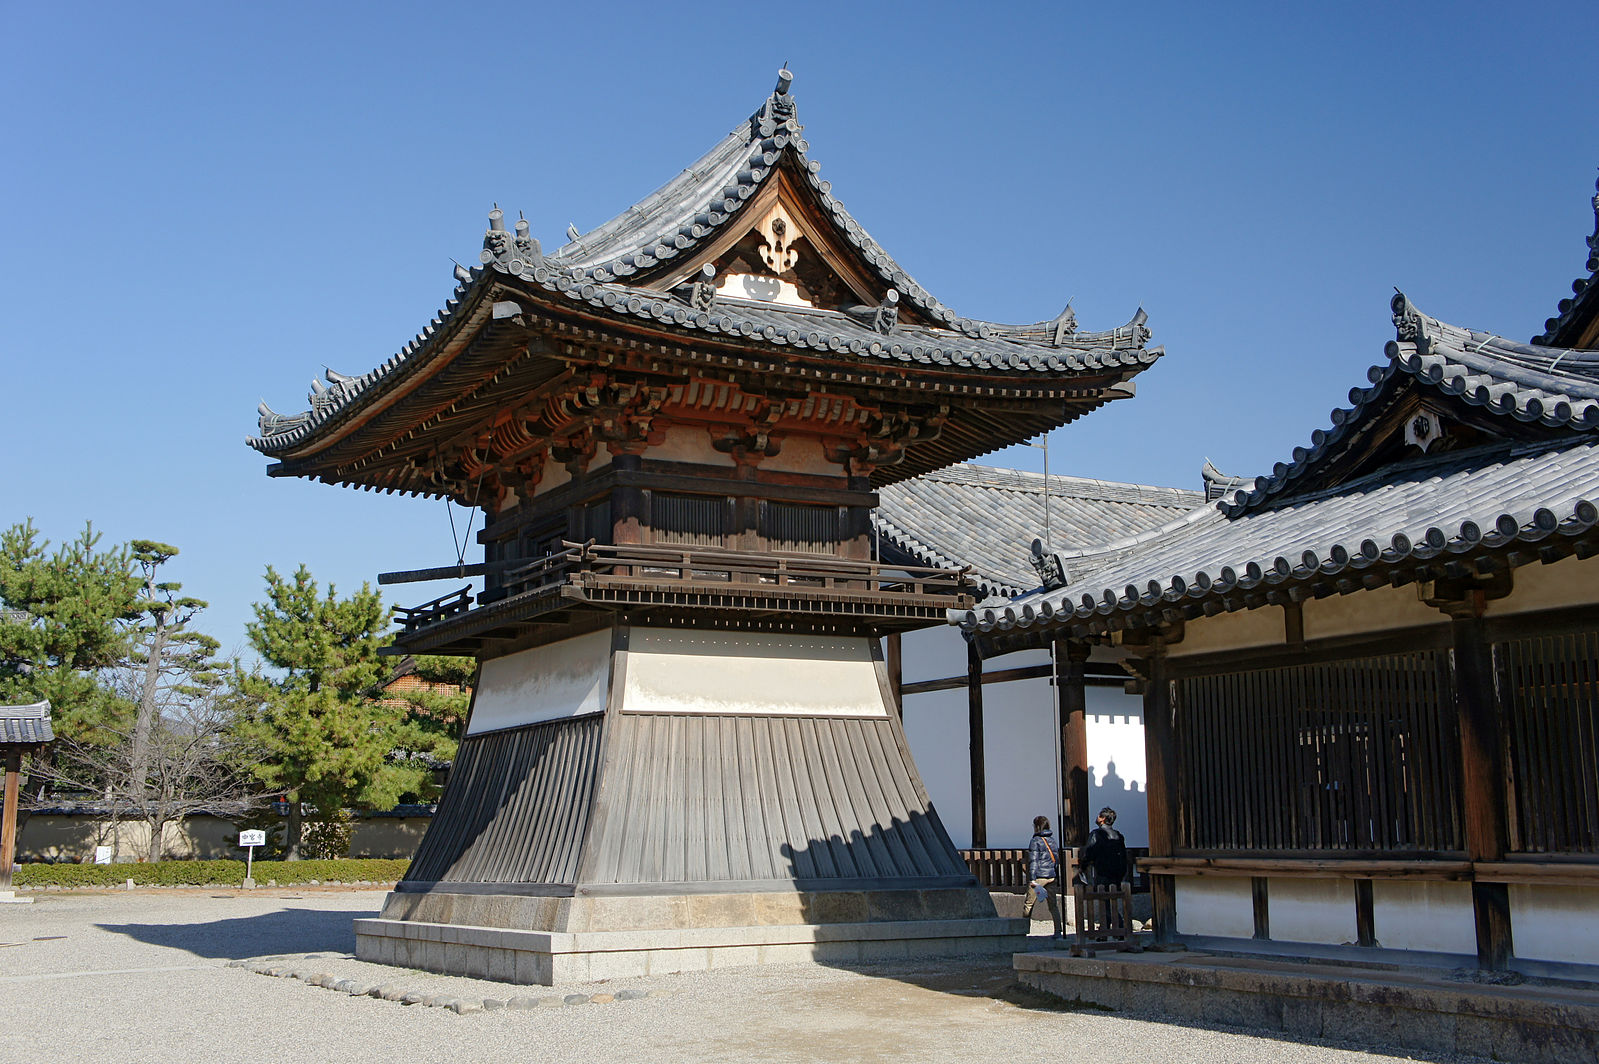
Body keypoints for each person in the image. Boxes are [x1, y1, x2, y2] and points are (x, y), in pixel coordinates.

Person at [1022, 815, 1063, 938]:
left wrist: (1032, 879)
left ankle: (1023, 930)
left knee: (1029, 905)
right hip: (1051, 876)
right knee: (1053, 905)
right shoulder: (1053, 841)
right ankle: (1058, 931)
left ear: (1037, 827)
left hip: (1039, 876)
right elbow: (1056, 860)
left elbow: (1033, 861)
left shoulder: (1035, 841)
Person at [1079, 806, 1129, 887]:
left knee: (1102, 895)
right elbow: (1123, 856)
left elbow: (1088, 854)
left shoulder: (1096, 834)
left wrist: (1083, 867)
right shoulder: (1119, 835)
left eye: (1099, 816)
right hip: (1117, 873)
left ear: (1103, 818)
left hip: (1101, 872)